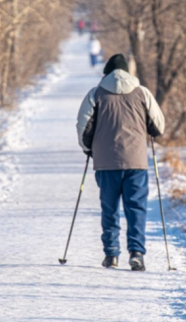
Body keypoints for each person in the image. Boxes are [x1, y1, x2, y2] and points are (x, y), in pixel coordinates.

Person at [76, 54, 165, 271]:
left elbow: (83, 127)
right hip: (136, 161)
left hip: (106, 163)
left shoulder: (95, 94)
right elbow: (158, 126)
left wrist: (88, 149)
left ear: (106, 72)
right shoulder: (142, 92)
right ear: (128, 72)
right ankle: (136, 253)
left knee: (110, 208)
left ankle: (111, 254)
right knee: (136, 208)